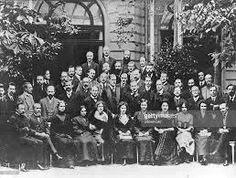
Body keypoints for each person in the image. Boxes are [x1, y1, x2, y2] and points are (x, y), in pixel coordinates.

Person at [10, 103, 46, 171]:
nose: (23, 110)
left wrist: (36, 133)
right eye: (21, 109)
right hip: (17, 137)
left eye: (24, 109)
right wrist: (24, 129)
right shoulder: (13, 118)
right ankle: (24, 164)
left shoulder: (24, 117)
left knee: (40, 142)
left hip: (26, 136)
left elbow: (29, 128)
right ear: (17, 109)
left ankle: (38, 163)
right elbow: (15, 131)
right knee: (34, 142)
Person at [29, 103, 62, 168]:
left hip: (43, 136)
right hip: (34, 135)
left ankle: (45, 163)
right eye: (37, 108)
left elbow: (47, 127)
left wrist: (47, 133)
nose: (39, 110)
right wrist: (39, 134)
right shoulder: (30, 118)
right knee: (47, 138)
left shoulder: (43, 118)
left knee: (47, 138)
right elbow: (29, 130)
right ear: (33, 109)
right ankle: (56, 154)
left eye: (40, 108)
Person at [50, 101, 75, 169]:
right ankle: (61, 163)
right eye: (61, 106)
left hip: (66, 135)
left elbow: (71, 128)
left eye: (63, 106)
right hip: (57, 136)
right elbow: (52, 131)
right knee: (63, 142)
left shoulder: (67, 116)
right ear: (58, 107)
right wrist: (60, 135)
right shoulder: (54, 117)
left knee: (70, 141)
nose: (62, 108)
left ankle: (70, 162)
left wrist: (69, 135)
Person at [133, 99, 154, 165]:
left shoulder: (150, 114)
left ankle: (149, 160)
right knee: (140, 140)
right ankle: (142, 160)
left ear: (147, 106)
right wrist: (139, 132)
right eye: (142, 105)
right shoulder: (137, 114)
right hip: (139, 132)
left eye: (145, 105)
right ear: (140, 106)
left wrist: (148, 132)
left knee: (149, 140)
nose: (143, 106)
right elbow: (134, 125)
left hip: (147, 132)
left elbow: (152, 125)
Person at [194, 101, 213, 165]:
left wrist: (207, 130)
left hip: (207, 132)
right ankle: (202, 157)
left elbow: (211, 124)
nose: (203, 108)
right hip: (198, 132)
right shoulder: (196, 115)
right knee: (201, 138)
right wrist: (200, 130)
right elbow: (195, 125)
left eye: (204, 106)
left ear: (207, 107)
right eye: (202, 106)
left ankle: (204, 157)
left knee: (206, 138)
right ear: (199, 107)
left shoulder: (209, 115)